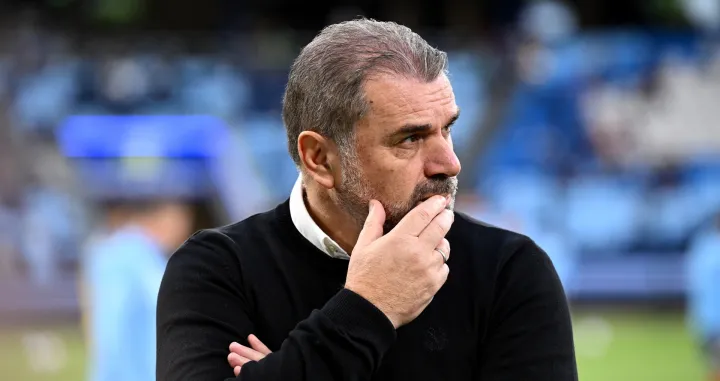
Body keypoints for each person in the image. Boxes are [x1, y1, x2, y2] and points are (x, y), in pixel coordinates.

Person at [156, 18, 577, 381]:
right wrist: (368, 306)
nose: (449, 163)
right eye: (410, 138)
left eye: (446, 129)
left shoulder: (510, 271)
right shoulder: (215, 269)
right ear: (319, 158)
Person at [80, 199, 193, 381]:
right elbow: (111, 328)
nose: (185, 230)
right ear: (163, 216)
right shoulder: (131, 256)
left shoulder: (113, 252)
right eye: (181, 219)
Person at [687, 211, 720, 381]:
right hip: (713, 319)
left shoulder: (703, 247)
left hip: (703, 319)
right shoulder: (707, 248)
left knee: (715, 364)